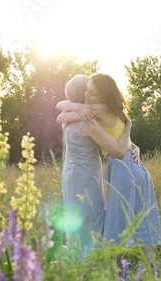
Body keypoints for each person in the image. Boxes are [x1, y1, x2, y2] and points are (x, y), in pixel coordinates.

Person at [57, 73, 161, 258]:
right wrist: (132, 139)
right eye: (86, 92)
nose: (86, 97)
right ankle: (149, 266)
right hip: (136, 167)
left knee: (116, 220)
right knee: (141, 215)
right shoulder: (112, 109)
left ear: (102, 95)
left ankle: (110, 267)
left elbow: (119, 151)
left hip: (123, 167)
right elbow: (61, 113)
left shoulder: (95, 110)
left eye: (91, 93)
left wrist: (129, 131)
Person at [58, 74, 133, 257]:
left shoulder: (71, 119)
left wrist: (77, 106)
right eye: (86, 90)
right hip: (86, 175)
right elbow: (118, 150)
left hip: (69, 173)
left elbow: (59, 112)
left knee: (74, 213)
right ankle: (91, 260)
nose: (87, 94)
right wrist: (128, 125)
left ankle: (75, 255)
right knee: (92, 215)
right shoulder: (90, 120)